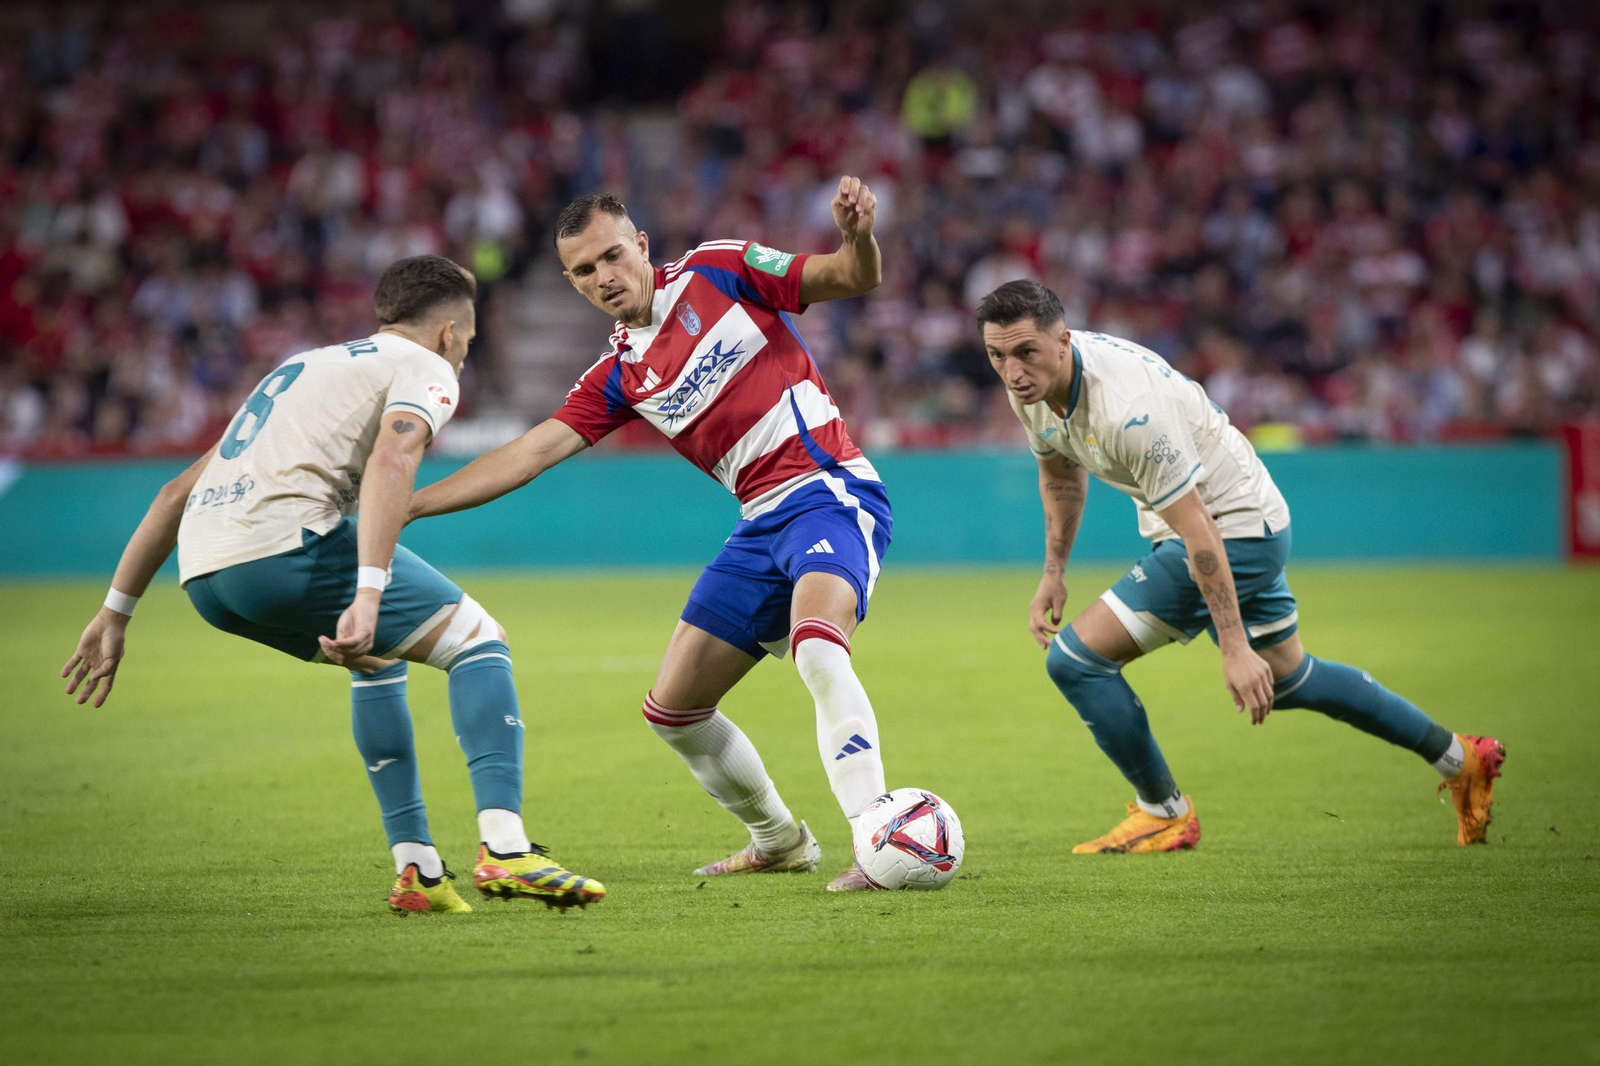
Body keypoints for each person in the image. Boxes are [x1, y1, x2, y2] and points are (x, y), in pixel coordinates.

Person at [60, 256, 606, 914]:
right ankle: (507, 848)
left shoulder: (301, 368)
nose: (465, 347)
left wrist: (115, 612)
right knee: (477, 639)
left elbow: (176, 491)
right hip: (284, 548)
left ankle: (417, 872)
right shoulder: (425, 367)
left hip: (206, 578)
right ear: (448, 333)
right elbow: (393, 458)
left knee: (373, 662)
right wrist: (369, 590)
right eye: (467, 335)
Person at [408, 177, 892, 891]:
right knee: (675, 709)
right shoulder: (620, 376)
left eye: (612, 257)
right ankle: (780, 840)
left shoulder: (719, 271)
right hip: (760, 522)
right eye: (584, 270)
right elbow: (530, 452)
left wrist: (857, 236)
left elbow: (851, 277)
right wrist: (410, 504)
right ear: (571, 284)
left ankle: (878, 841)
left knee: (818, 647)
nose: (604, 277)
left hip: (829, 493)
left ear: (640, 246)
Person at [975, 279, 1504, 852]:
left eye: (1025, 352)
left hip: (1232, 531)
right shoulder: (1029, 386)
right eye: (997, 356)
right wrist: (1053, 570)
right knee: (1292, 678)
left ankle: (1165, 812)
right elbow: (1058, 473)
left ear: (1062, 342)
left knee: (1077, 661)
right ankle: (1461, 757)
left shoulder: (1129, 411)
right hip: (1241, 519)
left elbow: (1200, 528)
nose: (1011, 370)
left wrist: (1232, 645)